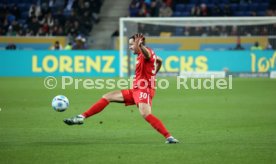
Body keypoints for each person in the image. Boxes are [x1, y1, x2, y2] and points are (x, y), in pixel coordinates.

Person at [64, 33, 179, 144]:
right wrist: (153, 74)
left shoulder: (146, 52)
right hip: (136, 89)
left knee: (146, 114)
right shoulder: (144, 54)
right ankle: (81, 117)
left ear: (139, 44)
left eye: (131, 44)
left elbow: (148, 55)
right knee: (108, 96)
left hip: (144, 90)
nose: (129, 47)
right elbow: (160, 60)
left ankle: (169, 137)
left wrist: (140, 47)